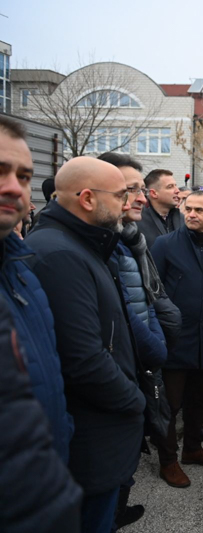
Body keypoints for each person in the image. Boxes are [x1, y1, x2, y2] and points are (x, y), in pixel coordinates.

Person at [26, 156, 146, 533]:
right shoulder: (60, 254)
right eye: (121, 195)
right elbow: (83, 359)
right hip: (89, 440)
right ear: (88, 199)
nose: (128, 203)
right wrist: (135, 400)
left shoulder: (80, 243)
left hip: (96, 434)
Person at [98, 152, 169, 529]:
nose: (141, 197)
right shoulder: (104, 247)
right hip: (127, 363)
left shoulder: (129, 240)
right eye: (131, 190)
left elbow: (146, 296)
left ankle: (116, 510)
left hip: (140, 357)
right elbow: (123, 311)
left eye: (142, 189)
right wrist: (156, 346)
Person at [0, 116, 73, 467]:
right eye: (1, 171)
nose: (15, 188)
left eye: (24, 176)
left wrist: (63, 429)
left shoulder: (22, 273)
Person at [151, 192, 203, 488]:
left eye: (199, 210)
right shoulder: (164, 245)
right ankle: (168, 461)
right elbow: (153, 292)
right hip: (175, 340)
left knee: (198, 400)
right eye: (188, 208)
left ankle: (191, 449)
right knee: (170, 404)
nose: (191, 214)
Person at [0, 295, 83, 533]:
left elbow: (50, 356)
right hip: (29, 493)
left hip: (55, 438)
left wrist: (65, 423)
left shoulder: (23, 279)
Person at [138, 169, 182, 249]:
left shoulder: (182, 219)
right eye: (170, 187)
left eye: (176, 186)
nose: (177, 191)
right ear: (154, 193)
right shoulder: (138, 221)